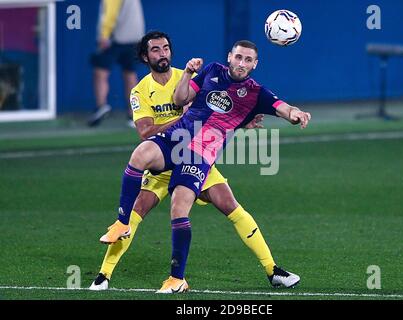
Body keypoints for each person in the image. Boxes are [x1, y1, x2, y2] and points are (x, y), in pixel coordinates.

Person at [90, 32, 300, 292]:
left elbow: (224, 107)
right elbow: (146, 131)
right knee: (137, 208)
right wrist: (182, 119)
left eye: (166, 48)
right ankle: (104, 274)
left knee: (229, 205)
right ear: (146, 57)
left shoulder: (188, 74)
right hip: (169, 150)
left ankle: (271, 270)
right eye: (155, 50)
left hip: (197, 155)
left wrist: (249, 120)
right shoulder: (141, 89)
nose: (162, 53)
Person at [88, 0, 145, 127]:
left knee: (100, 72)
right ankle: (133, 115)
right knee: (130, 74)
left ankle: (101, 106)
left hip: (114, 38)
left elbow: (110, 13)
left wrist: (104, 35)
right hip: (135, 37)